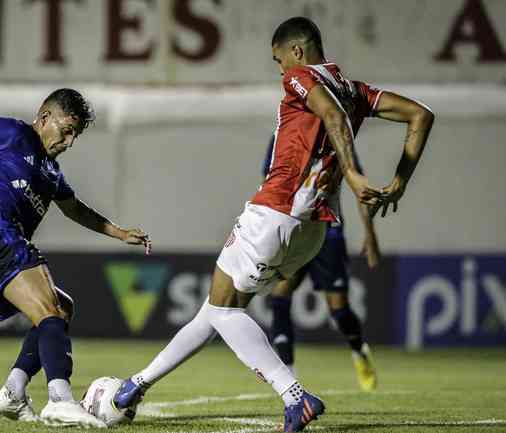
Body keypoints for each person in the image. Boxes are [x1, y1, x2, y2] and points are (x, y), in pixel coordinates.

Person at [111, 16, 434, 432]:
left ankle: (294, 395)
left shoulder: (301, 76)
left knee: (223, 310)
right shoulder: (356, 92)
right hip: (314, 229)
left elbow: (332, 117)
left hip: (276, 211)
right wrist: (399, 185)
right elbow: (421, 116)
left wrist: (353, 174)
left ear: (296, 51)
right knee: (218, 308)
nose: (280, 70)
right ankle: (135, 386)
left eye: (278, 60)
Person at [0, 88, 151, 428]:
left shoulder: (51, 172)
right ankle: (60, 399)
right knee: (50, 309)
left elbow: (75, 209)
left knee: (62, 308)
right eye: (66, 130)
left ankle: (13, 391)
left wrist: (120, 233)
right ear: (44, 118)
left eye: (75, 135)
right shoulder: (12, 133)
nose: (70, 141)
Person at [262, 134, 381, 391]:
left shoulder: (337, 136)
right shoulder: (281, 135)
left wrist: (370, 235)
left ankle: (359, 349)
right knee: (280, 296)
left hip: (329, 232)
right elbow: (271, 183)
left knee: (339, 310)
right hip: (295, 230)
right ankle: (288, 376)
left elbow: (359, 186)